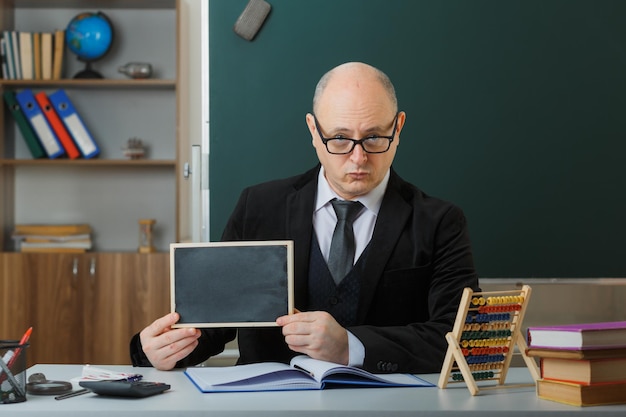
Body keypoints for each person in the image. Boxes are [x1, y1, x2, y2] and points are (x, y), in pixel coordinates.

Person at [130, 62, 479, 374]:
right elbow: (213, 325)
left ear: (398, 127)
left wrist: (350, 347)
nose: (358, 158)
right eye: (340, 139)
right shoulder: (258, 206)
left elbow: (461, 339)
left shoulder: (440, 222)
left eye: (374, 137)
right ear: (314, 131)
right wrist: (157, 352)